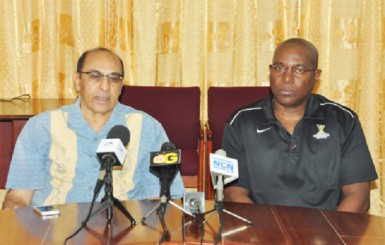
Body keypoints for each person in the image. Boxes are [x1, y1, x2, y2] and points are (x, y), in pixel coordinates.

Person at [2, 47, 184, 209]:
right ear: (77, 81)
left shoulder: (147, 128)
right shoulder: (41, 127)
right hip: (55, 232)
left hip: (124, 233)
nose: (105, 87)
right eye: (95, 76)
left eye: (114, 79)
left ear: (121, 85)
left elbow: (161, 199)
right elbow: (18, 198)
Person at [222, 38, 378, 213]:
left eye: (299, 70)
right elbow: (233, 194)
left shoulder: (343, 121)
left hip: (327, 234)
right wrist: (265, 235)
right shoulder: (242, 122)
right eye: (280, 68)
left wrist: (331, 236)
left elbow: (358, 196)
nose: (287, 78)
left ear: (316, 76)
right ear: (270, 71)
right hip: (260, 233)